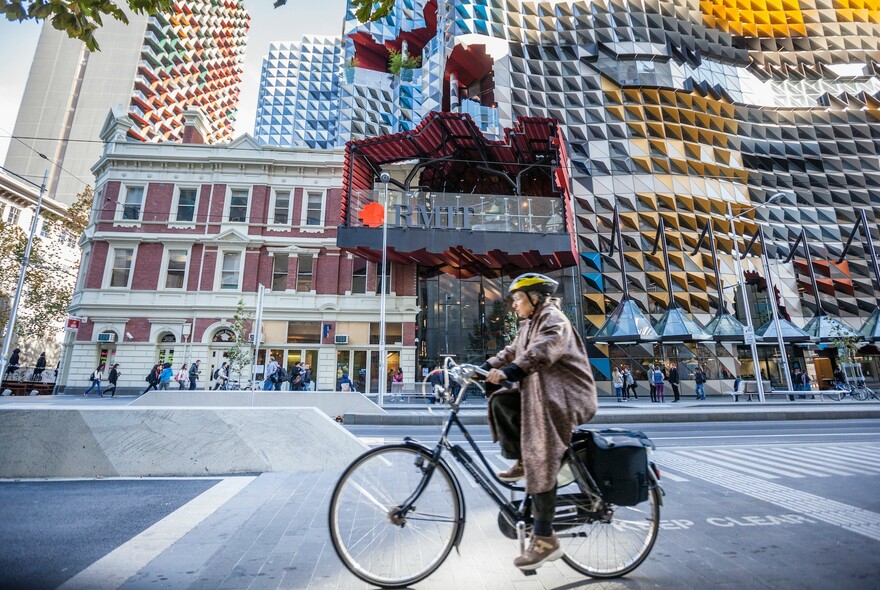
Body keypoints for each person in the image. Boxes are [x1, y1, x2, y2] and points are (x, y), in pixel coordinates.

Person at [484, 273, 597, 571]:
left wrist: (512, 371)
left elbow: (545, 348)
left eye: (519, 299)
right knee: (501, 400)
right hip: (542, 392)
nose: (515, 306)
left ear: (536, 298)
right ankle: (522, 460)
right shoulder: (529, 324)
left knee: (541, 454)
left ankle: (546, 540)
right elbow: (512, 351)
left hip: (565, 396)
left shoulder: (553, 319)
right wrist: (486, 367)